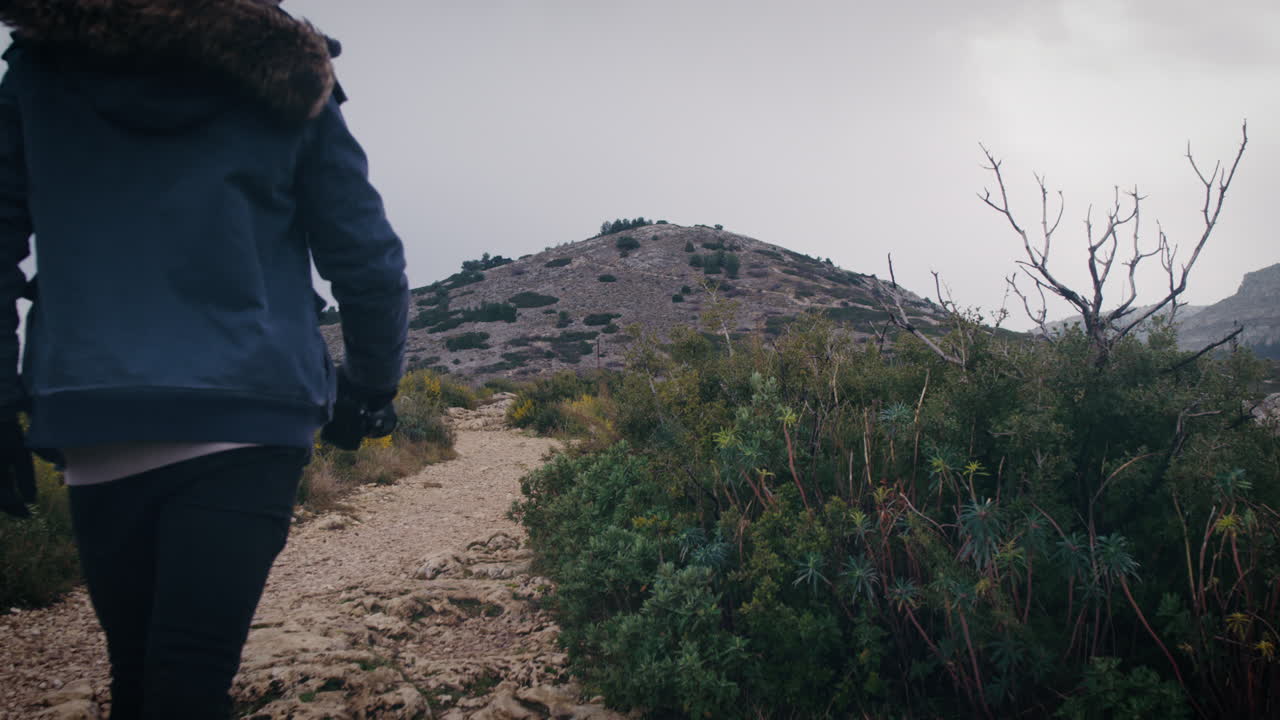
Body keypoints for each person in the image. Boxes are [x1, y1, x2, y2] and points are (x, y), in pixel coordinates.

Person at [0, 0, 409, 717]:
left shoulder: (40, 65)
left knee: (139, 678)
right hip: (249, 411)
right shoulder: (291, 70)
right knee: (189, 679)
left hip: (96, 411)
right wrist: (370, 387)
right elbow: (367, 258)